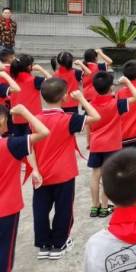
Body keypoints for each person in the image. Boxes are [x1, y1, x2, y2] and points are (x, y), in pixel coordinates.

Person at [32, 80, 100, 260]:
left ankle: (44, 244)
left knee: (40, 209)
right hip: (64, 173)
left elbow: (29, 147)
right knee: (64, 209)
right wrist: (82, 99)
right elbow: (95, 117)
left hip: (41, 174)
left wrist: (34, 170)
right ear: (64, 97)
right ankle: (59, 243)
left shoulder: (35, 119)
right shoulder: (68, 119)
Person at [0, 104, 49, 272]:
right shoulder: (10, 145)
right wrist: (24, 112)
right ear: (1, 120)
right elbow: (44, 132)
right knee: (4, 254)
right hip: (6, 209)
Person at [87, 72, 136, 218]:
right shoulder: (116, 103)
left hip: (96, 143)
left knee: (95, 174)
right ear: (111, 87)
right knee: (107, 175)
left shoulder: (90, 105)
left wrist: (88, 141)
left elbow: (88, 126)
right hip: (112, 144)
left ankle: (94, 206)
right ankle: (105, 207)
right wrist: (127, 82)